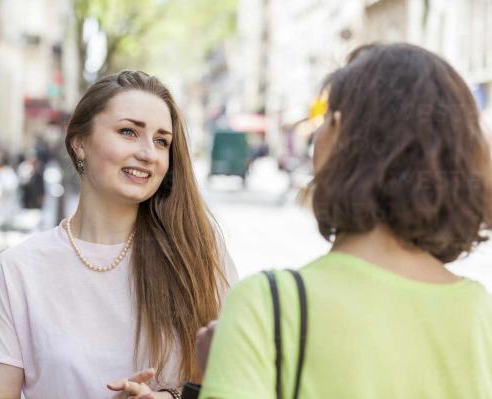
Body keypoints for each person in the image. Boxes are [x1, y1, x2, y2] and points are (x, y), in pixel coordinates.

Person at [197, 43, 492, 398]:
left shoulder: (268, 308)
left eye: (324, 121)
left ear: (338, 131)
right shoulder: (480, 315)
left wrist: (219, 372)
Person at [0, 70, 238, 399]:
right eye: (128, 132)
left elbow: (240, 382)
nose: (148, 153)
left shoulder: (196, 253)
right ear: (79, 142)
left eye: (161, 141)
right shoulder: (17, 271)